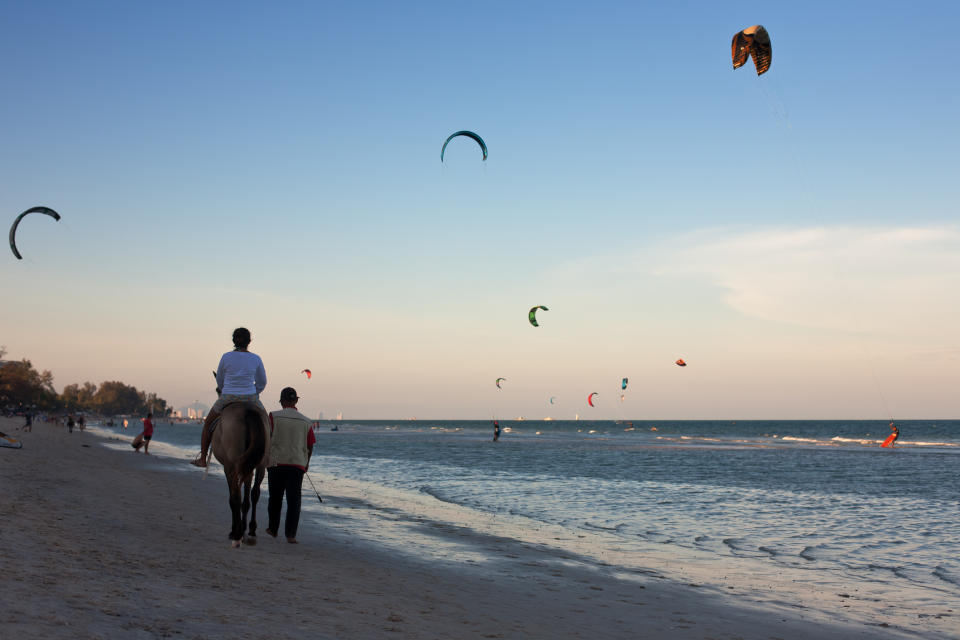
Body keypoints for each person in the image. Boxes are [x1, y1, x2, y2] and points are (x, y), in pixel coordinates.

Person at [192, 327, 267, 467]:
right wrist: (253, 392)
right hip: (251, 397)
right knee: (266, 423)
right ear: (249, 341)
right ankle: (268, 457)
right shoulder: (256, 358)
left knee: (208, 424)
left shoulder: (226, 357)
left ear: (233, 341)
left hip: (228, 397)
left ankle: (203, 458)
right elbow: (262, 382)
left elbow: (219, 380)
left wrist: (225, 389)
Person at [265, 387, 315, 544]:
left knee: (275, 498)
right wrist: (306, 463)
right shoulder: (306, 421)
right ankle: (291, 535)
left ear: (281, 401)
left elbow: (266, 438)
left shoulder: (273, 416)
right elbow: (310, 445)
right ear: (296, 401)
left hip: (276, 463)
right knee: (294, 500)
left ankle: (273, 529)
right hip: (297, 465)